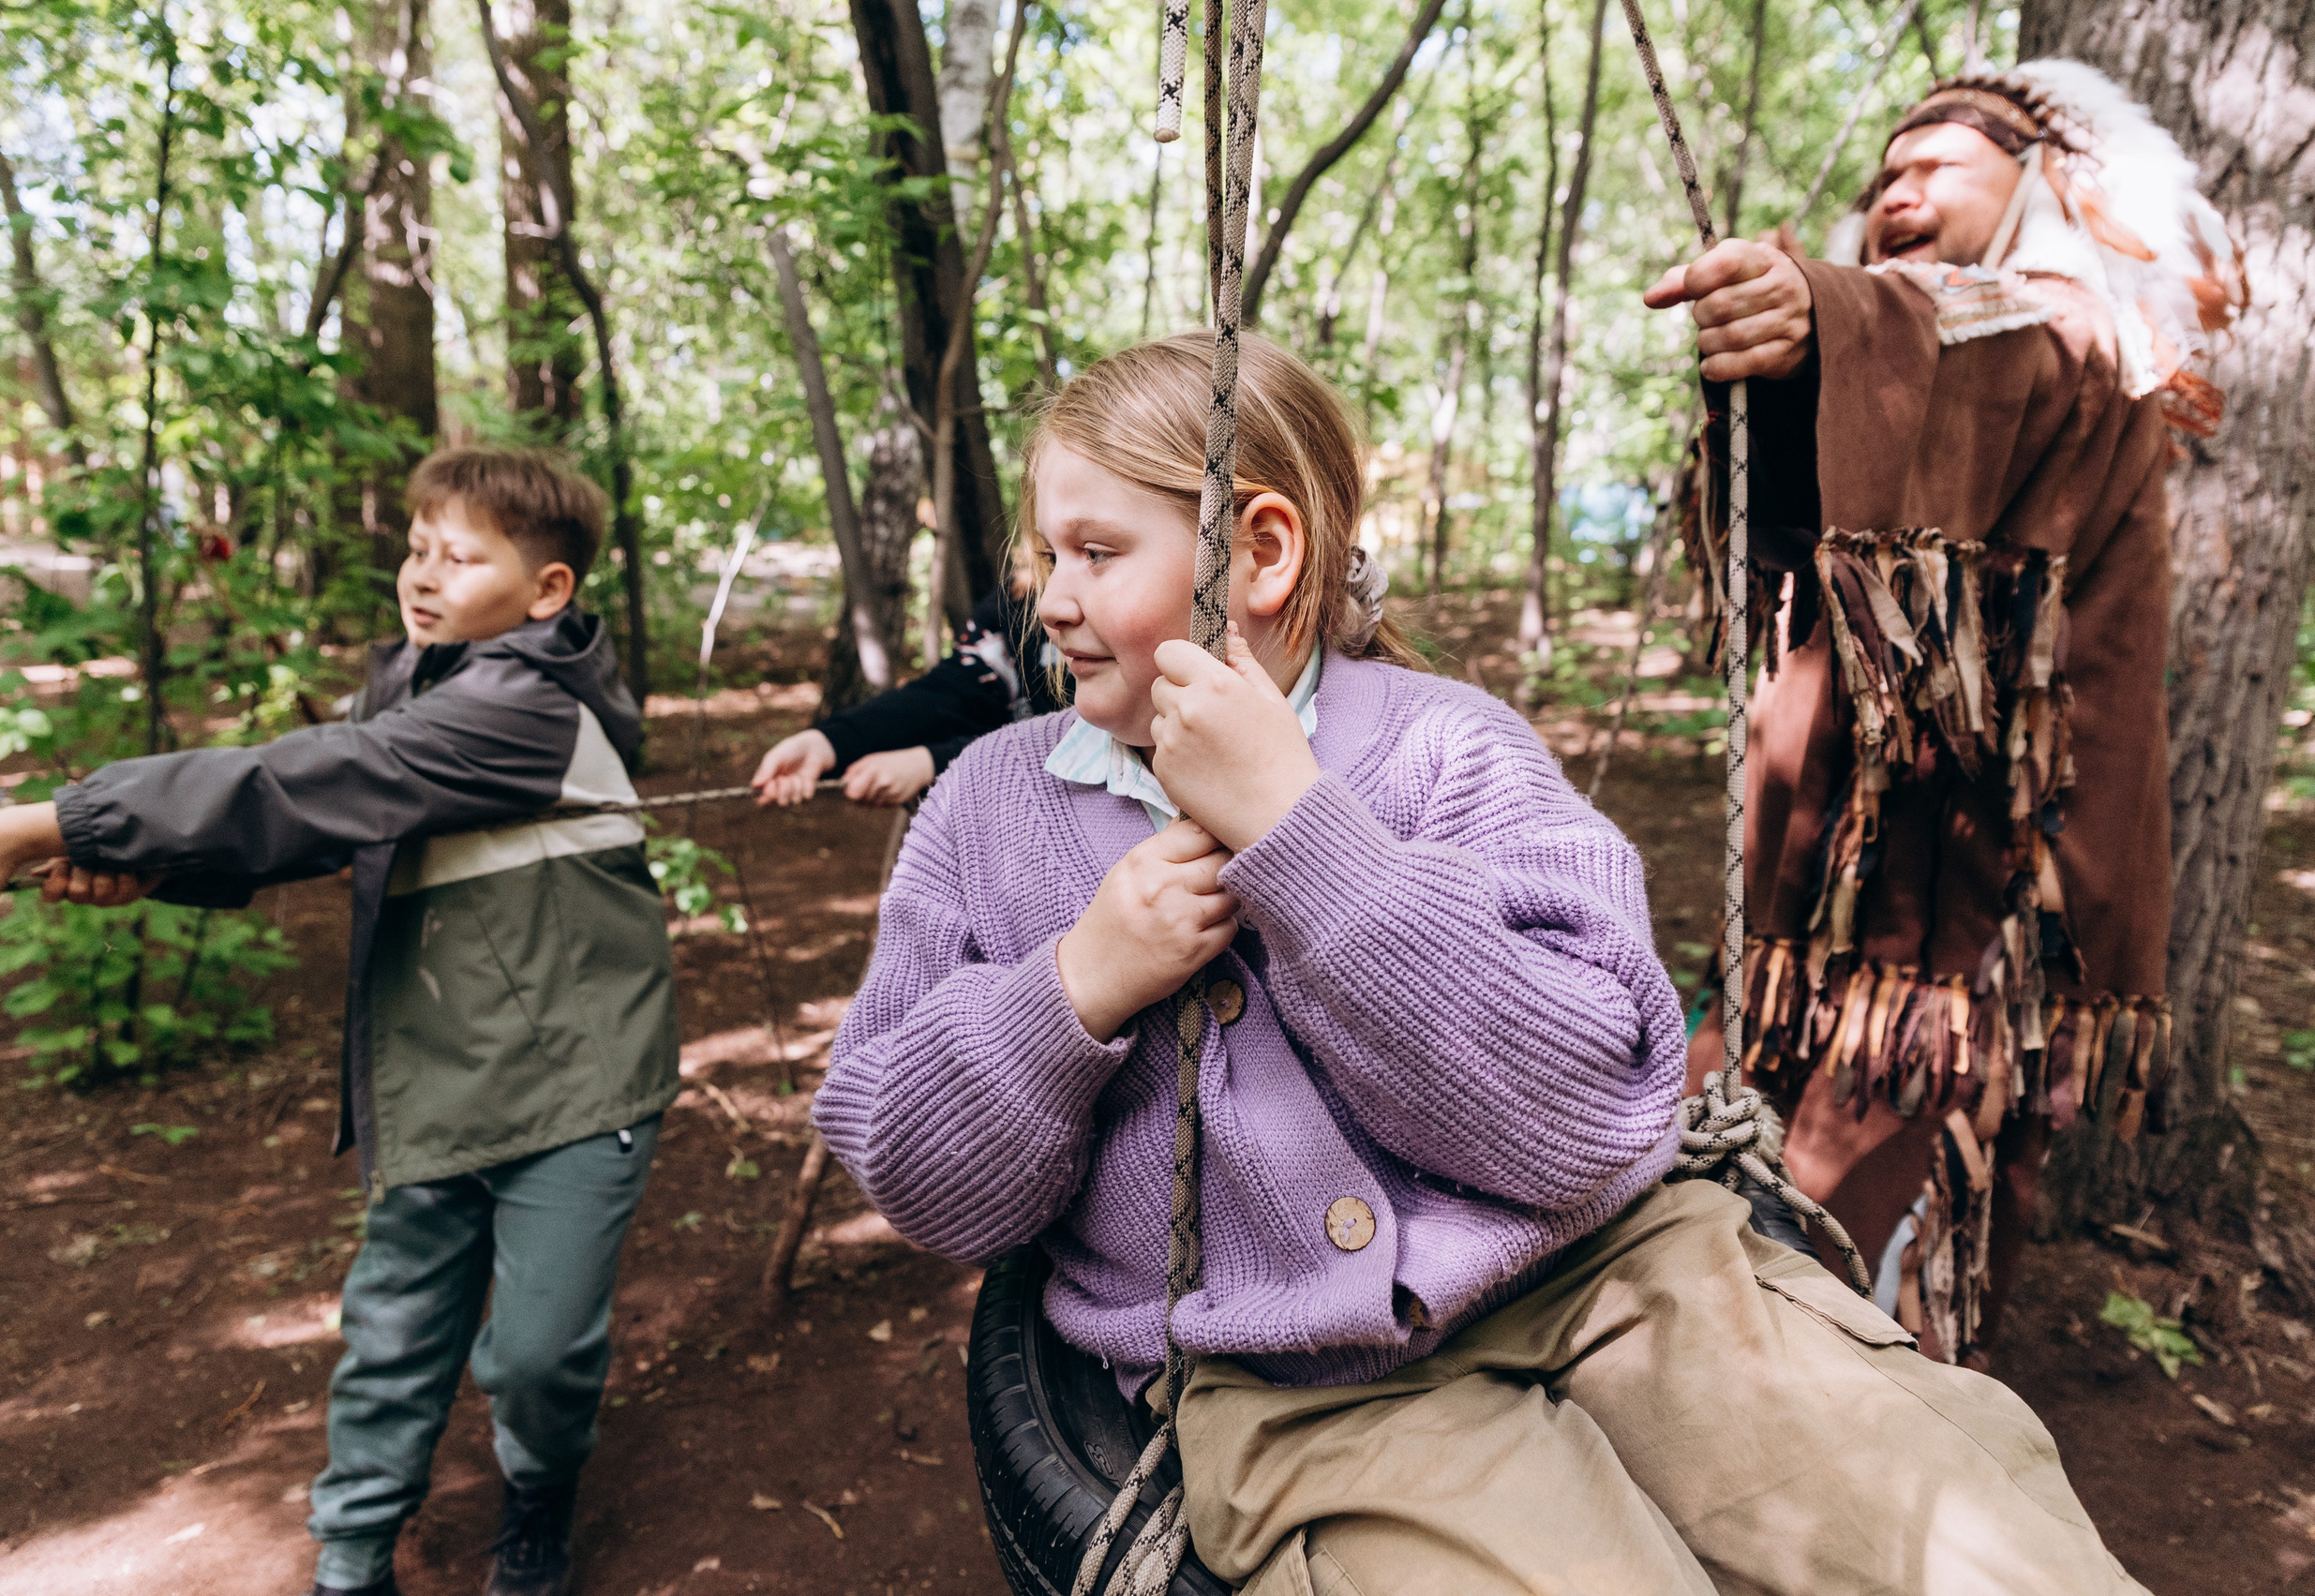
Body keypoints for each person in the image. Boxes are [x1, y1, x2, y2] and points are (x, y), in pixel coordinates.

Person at [812, 330, 2150, 1593]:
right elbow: (917, 1174)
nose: (1048, 597)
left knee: (1964, 1531)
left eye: (1096, 549)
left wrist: (1304, 837)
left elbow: (1579, 1115)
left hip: (1621, 1272)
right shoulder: (987, 806)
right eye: (1043, 553)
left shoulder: (1453, 749)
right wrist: (1074, 987)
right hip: (1297, 1391)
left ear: (1261, 549)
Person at [0, 448, 681, 1596]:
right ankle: (355, 1554)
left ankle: (538, 1491)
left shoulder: (526, 704)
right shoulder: (417, 682)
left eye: (460, 556)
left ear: (548, 592)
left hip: (577, 1080)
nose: (422, 575)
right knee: (393, 1328)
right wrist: (132, 862)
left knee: (535, 1355)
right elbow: (328, 824)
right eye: (416, 548)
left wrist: (44, 822)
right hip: (432, 1067)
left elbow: (316, 776)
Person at [1644, 60, 2245, 1364]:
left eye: (1936, 168)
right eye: (1886, 176)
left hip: (1979, 901)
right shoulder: (1951, 308)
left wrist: (1830, 313)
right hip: (1834, 884)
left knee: (1878, 1247)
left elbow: (1993, 340)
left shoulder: (2083, 335)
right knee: (1713, 1180)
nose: (1899, 190)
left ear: (2037, 184)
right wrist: (1807, 341)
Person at [750, 574, 1060, 809]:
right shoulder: (1020, 593)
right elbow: (955, 690)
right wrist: (829, 742)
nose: (1052, 610)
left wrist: (936, 764)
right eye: (1048, 550)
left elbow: (1086, 739)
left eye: (1093, 553)